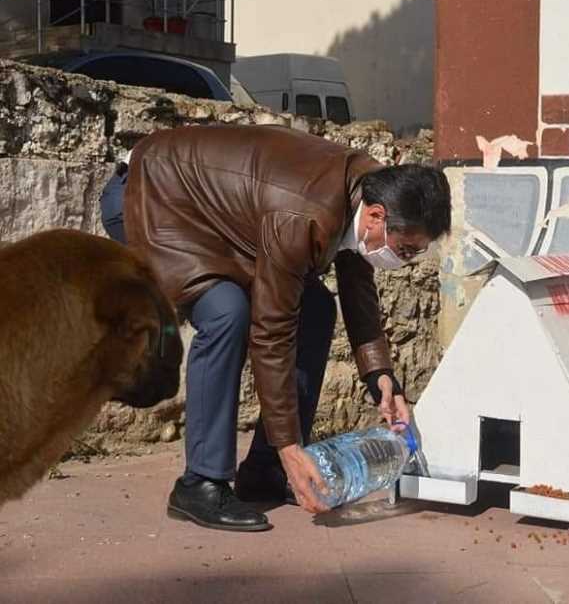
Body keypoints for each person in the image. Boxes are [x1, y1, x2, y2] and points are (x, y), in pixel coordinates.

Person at [100, 124, 451, 531]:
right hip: (153, 198)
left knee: (317, 309)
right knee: (226, 312)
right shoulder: (303, 215)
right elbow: (271, 330)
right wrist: (291, 445)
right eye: (405, 249)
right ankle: (200, 483)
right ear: (376, 216)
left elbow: (357, 286)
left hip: (221, 217)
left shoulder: (371, 189)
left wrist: (381, 377)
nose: (405, 260)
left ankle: (264, 469)